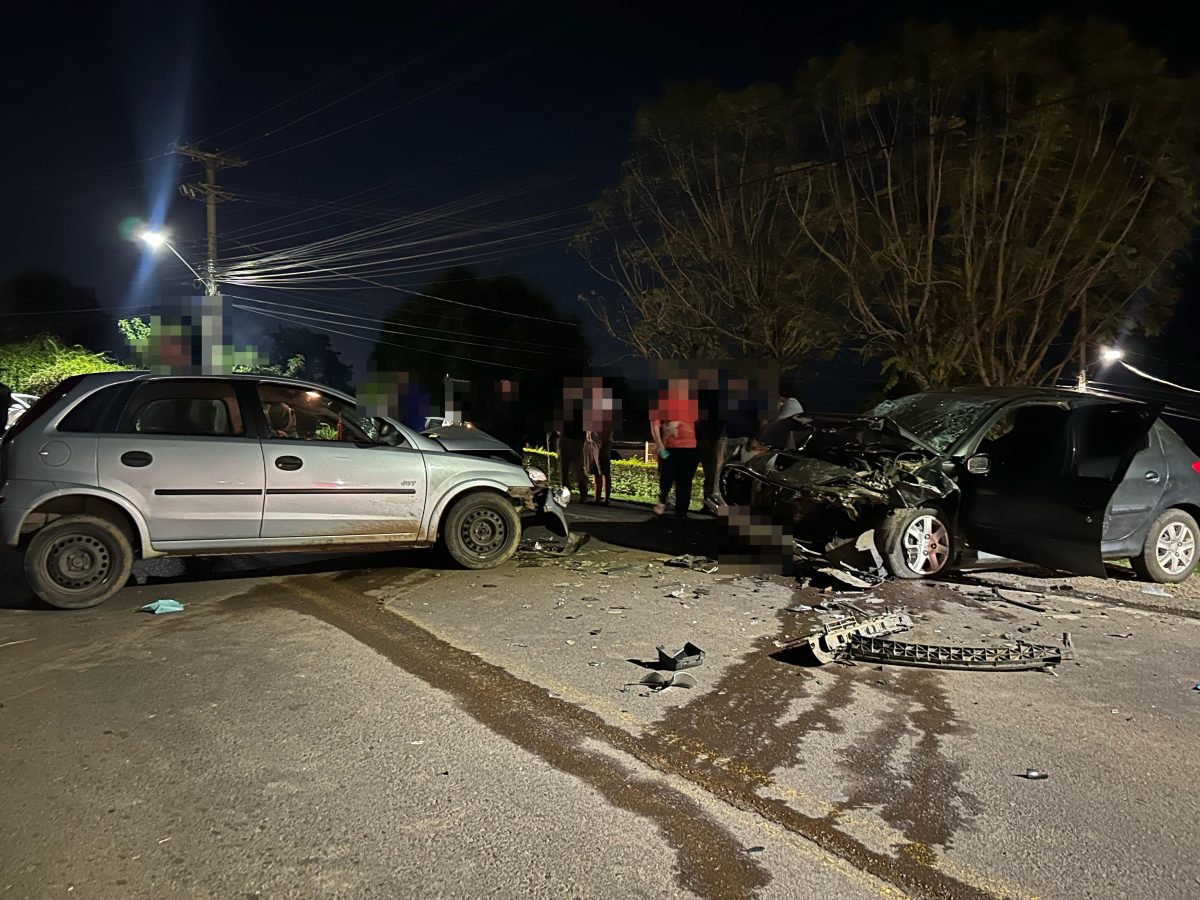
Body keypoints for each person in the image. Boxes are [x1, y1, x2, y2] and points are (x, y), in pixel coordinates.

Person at [650, 376, 699, 519]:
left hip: (690, 448)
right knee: (667, 477)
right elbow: (655, 423)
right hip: (670, 448)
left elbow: (696, 425)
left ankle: (681, 513)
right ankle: (662, 500)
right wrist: (659, 444)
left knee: (685, 482)